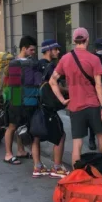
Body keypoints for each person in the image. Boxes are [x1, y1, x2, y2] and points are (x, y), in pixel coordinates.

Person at [49, 28, 102, 165]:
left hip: (75, 106)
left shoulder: (65, 59)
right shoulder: (94, 59)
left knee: (77, 143)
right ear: (87, 40)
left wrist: (63, 100)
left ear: (74, 41)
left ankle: (76, 176)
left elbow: (52, 81)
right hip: (93, 104)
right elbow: (98, 86)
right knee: (101, 137)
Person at [3, 36, 39, 167]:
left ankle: (21, 151)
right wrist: (18, 104)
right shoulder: (15, 63)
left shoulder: (30, 62)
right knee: (12, 126)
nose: (34, 52)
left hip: (27, 100)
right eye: (32, 50)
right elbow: (14, 85)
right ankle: (8, 154)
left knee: (21, 126)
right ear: (24, 48)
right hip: (16, 100)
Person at [36, 39, 69, 178]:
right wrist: (67, 90)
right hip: (48, 108)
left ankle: (37, 166)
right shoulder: (50, 67)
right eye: (55, 49)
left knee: (36, 136)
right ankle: (56, 167)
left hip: (37, 105)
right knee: (61, 135)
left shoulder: (37, 64)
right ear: (48, 50)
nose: (58, 51)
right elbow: (54, 85)